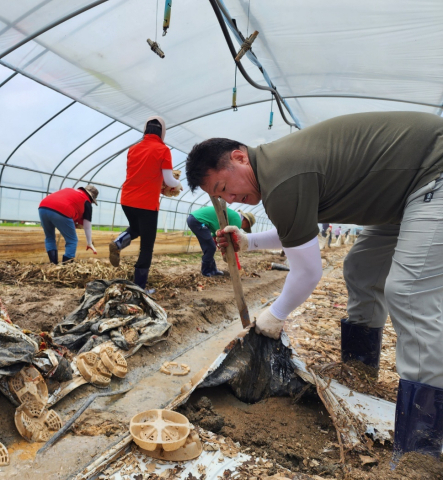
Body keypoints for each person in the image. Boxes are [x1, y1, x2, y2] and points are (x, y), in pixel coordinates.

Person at [184, 111, 443, 464]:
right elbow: (297, 230)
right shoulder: (276, 171)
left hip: (433, 171)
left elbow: (307, 271)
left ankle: (422, 445)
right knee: (361, 268)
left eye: (224, 188)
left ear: (239, 157)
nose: (230, 200)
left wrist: (273, 317)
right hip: (402, 196)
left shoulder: (282, 176)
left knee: (409, 292)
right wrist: (248, 240)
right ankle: (360, 374)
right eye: (221, 197)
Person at [108, 116, 181, 289]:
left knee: (136, 229)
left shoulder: (133, 149)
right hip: (147, 204)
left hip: (127, 199)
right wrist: (178, 184)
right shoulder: (163, 150)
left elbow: (143, 172)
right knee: (147, 247)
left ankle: (119, 242)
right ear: (162, 132)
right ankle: (139, 288)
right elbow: (169, 180)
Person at [38, 186, 98, 263]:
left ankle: (53, 265)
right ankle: (66, 268)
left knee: (49, 237)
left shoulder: (70, 191)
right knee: (72, 240)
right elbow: (87, 227)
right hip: (61, 209)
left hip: (42, 207)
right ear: (91, 197)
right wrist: (89, 243)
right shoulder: (86, 201)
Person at [187, 206, 251, 276]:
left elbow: (217, 233)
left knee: (211, 247)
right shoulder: (237, 220)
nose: (243, 228)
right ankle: (206, 271)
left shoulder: (232, 216)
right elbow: (231, 243)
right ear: (246, 221)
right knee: (210, 247)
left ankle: (213, 270)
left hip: (196, 219)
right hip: (198, 221)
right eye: (246, 227)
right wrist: (237, 266)